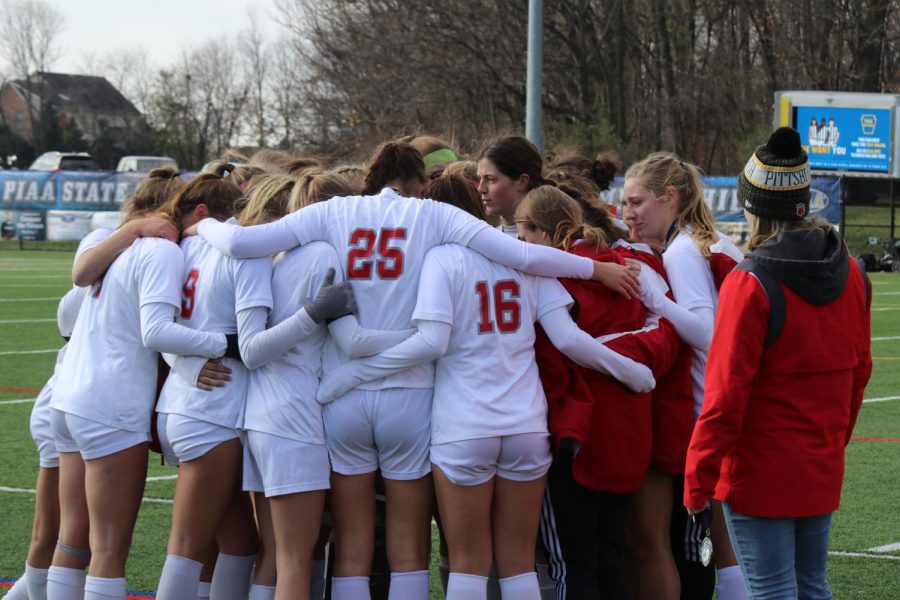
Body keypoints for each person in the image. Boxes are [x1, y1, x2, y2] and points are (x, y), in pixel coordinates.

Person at [191, 139, 640, 600]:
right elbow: (524, 258)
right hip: (413, 394)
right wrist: (595, 271)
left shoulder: (337, 211)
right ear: (419, 181)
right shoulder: (434, 216)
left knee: (352, 548)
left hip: (343, 397)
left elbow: (241, 241)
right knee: (411, 549)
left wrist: (198, 223)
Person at [314, 188, 655, 600]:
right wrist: (633, 372)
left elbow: (430, 341)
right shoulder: (524, 255)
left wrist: (352, 374)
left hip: (464, 426)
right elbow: (569, 340)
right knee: (518, 561)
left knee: (468, 564)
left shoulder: (441, 259)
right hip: (526, 425)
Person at [685, 127, 872, 599]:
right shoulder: (851, 272)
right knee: (812, 587)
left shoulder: (750, 283)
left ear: (751, 206)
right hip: (819, 463)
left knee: (771, 591)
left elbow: (724, 397)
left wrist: (697, 480)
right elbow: (859, 373)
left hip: (758, 473)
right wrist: (830, 443)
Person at [47, 171, 240, 600]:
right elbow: (156, 331)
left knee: (73, 539)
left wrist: (132, 228)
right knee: (109, 550)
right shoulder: (160, 250)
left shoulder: (123, 241)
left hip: (68, 399)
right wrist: (225, 344)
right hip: (109, 404)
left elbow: (80, 279)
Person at [515, 186, 679, 600]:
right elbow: (667, 334)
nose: (521, 245)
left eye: (525, 234)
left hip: (578, 435)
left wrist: (615, 360)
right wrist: (632, 365)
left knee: (575, 565)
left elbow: (564, 347)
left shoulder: (550, 275)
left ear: (542, 231)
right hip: (627, 431)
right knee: (610, 558)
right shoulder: (628, 266)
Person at [622, 151, 748, 600]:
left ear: (669, 197)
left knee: (714, 546)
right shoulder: (710, 240)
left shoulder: (682, 251)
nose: (627, 213)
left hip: (706, 408)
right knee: (731, 545)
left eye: (637, 202)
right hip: (734, 401)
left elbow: (711, 337)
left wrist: (655, 297)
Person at [477, 136, 546, 237]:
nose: (481, 188)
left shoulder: (552, 240)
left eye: (490, 179)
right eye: (480, 178)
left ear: (522, 182)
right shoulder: (488, 239)